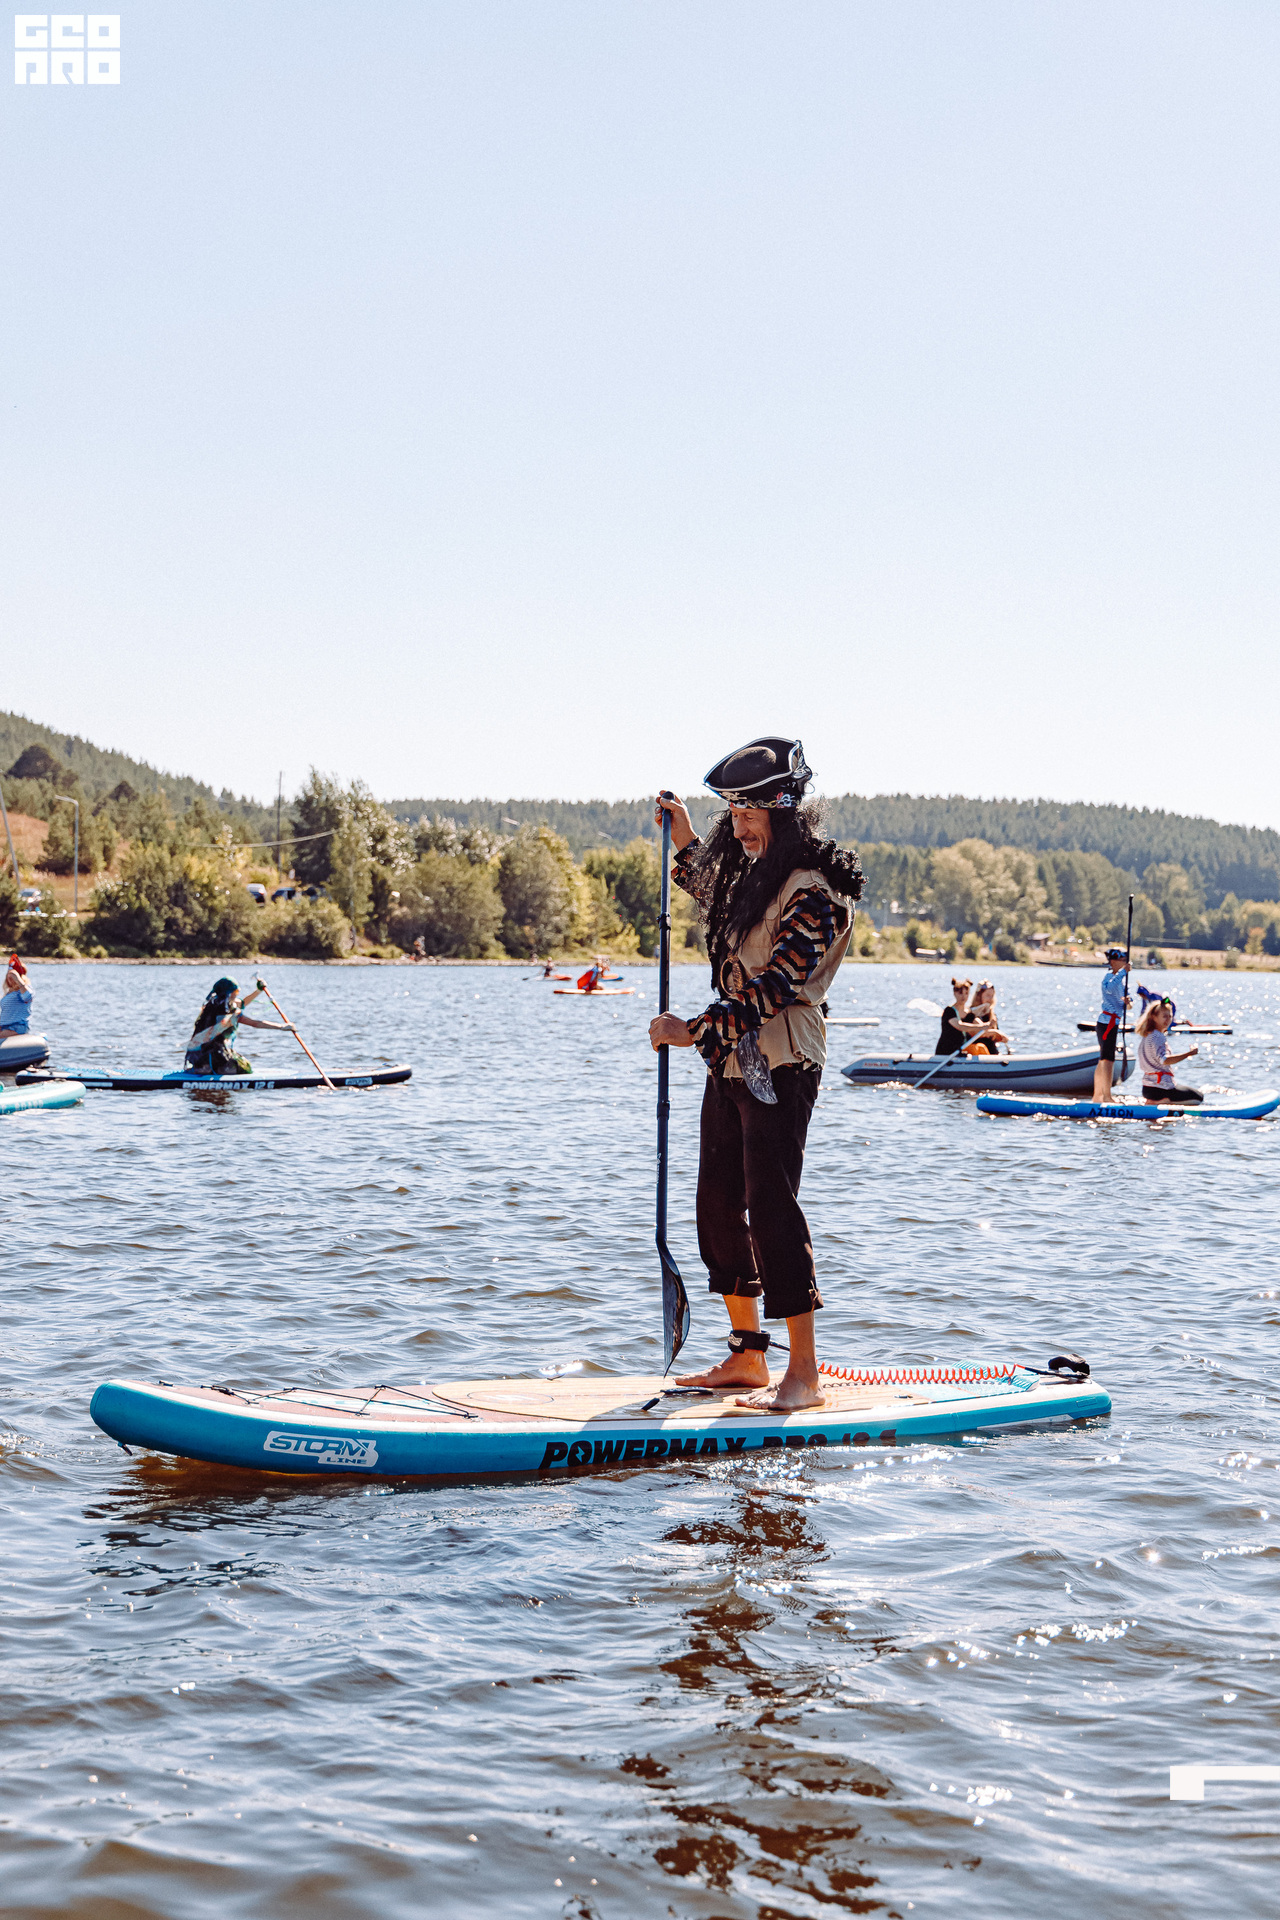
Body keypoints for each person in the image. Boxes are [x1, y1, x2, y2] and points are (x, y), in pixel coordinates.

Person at [647, 736, 863, 1412]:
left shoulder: (815, 893)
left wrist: (694, 1032)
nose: (737, 829)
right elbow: (708, 886)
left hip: (786, 1059)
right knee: (717, 1202)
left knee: (771, 1206)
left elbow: (776, 985)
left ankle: (805, 1374)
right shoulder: (751, 875)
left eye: (749, 817)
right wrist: (683, 835)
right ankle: (747, 1357)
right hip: (733, 1063)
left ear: (784, 812)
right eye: (731, 817)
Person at [185, 977, 295, 1074]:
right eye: (236, 991)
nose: (238, 993)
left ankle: (206, 1068)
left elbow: (242, 1003)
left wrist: (258, 991)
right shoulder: (227, 1012)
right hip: (210, 1053)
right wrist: (281, 1027)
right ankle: (208, 1069)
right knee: (242, 1068)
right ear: (228, 992)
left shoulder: (214, 1002)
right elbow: (255, 1023)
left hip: (199, 1054)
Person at [1136, 996, 1203, 1105]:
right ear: (1154, 1017)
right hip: (1160, 1089)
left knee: (1191, 1092)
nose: (1168, 1020)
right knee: (1199, 1097)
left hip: (1147, 1088)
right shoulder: (1158, 1036)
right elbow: (1165, 1060)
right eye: (1164, 1017)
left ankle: (1154, 1101)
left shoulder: (1147, 1035)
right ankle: (1164, 1101)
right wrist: (1189, 1054)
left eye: (1170, 1016)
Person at [1092, 946, 1131, 1101]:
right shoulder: (1109, 977)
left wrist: (1128, 1002)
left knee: (1104, 1060)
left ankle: (1098, 1095)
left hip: (1114, 1022)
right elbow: (1109, 989)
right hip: (1106, 1023)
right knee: (1107, 1061)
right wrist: (1123, 972)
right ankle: (1105, 1096)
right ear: (1113, 961)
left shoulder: (1121, 981)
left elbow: (1126, 1000)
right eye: (1123, 961)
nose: (1125, 963)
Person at [963, 980, 1009, 1055]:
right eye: (987, 996)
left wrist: (1001, 1038)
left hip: (991, 1053)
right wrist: (996, 1033)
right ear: (979, 996)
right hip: (977, 1053)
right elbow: (979, 1032)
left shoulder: (992, 1015)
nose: (990, 999)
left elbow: (994, 1038)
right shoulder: (970, 1014)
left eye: (992, 996)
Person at [0, 954, 32, 1037]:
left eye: (12, 977)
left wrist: (18, 980)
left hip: (17, 1027)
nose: (10, 978)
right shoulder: (9, 993)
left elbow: (28, 996)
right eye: (9, 976)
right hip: (5, 1027)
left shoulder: (23, 990)